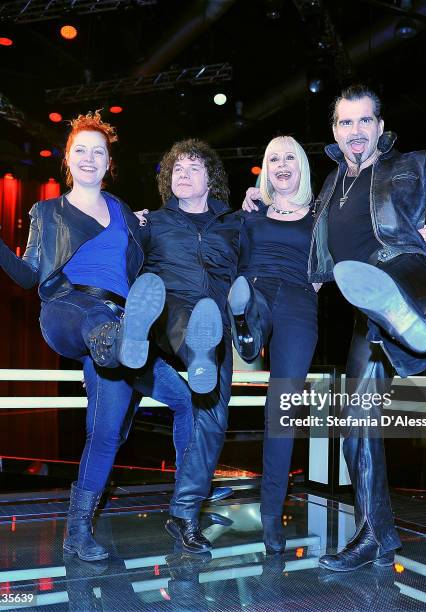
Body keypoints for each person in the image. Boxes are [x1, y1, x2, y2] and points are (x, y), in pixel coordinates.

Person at [245, 84, 426, 571]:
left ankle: (411, 333)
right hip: (364, 311)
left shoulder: (413, 164)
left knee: (396, 287)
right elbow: (301, 234)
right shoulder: (328, 187)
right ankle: (378, 537)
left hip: (404, 270)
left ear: (380, 128)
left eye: (365, 121)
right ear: (335, 132)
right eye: (346, 123)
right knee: (356, 423)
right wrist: (258, 200)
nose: (356, 131)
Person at [0, 111, 174, 562]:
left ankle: (80, 532)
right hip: (68, 308)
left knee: (107, 431)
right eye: (80, 151)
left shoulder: (125, 210)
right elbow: (28, 276)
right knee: (97, 323)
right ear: (68, 159)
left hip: (120, 320)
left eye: (98, 152)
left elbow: (160, 240)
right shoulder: (48, 211)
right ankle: (120, 341)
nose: (89, 158)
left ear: (109, 163)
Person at [139, 139, 242, 553]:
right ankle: (198, 351)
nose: (182, 174)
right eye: (175, 168)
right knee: (188, 316)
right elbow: (122, 258)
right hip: (170, 315)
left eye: (192, 167)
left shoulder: (235, 223)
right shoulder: (152, 223)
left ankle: (183, 515)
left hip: (216, 324)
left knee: (213, 421)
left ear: (210, 178)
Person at [226, 136, 318, 554]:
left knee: (281, 410)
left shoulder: (320, 214)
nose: (281, 164)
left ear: (300, 166)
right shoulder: (251, 214)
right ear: (265, 168)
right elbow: (219, 240)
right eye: (272, 158)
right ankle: (246, 328)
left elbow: (346, 252)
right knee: (249, 298)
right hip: (257, 288)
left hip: (300, 303)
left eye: (289, 157)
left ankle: (270, 519)